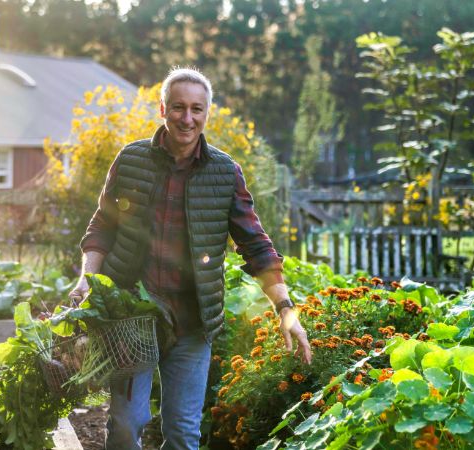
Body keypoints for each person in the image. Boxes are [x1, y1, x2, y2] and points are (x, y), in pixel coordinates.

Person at [68, 67, 312, 450]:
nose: (187, 118)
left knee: (183, 434)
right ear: (162, 109)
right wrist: (87, 278)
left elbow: (256, 245)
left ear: (207, 113)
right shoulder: (132, 160)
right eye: (179, 107)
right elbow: (102, 226)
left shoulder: (224, 172)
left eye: (197, 109)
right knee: (126, 425)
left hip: (192, 324)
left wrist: (286, 309)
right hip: (133, 318)